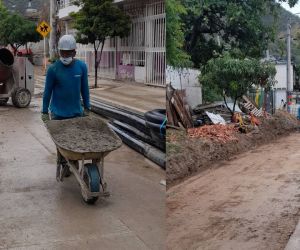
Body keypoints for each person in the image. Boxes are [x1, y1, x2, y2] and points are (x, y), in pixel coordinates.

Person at [41, 34, 90, 181]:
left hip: (76, 113)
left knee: (75, 141)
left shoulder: (81, 67)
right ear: (59, 52)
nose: (65, 55)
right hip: (58, 114)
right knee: (61, 144)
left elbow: (85, 89)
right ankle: (63, 161)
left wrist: (87, 108)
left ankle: (73, 161)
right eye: (63, 52)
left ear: (74, 52)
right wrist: (44, 111)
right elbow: (47, 92)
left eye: (68, 52)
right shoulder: (53, 69)